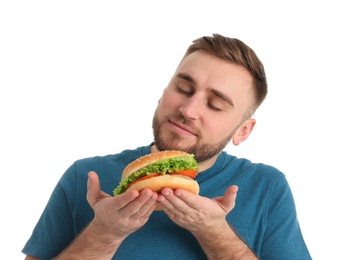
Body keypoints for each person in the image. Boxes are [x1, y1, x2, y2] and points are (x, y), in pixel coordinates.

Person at [22, 33, 311, 259]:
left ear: (243, 131)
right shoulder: (85, 177)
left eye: (215, 105)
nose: (189, 109)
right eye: (183, 89)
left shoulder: (267, 187)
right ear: (163, 93)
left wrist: (215, 234)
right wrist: (103, 234)